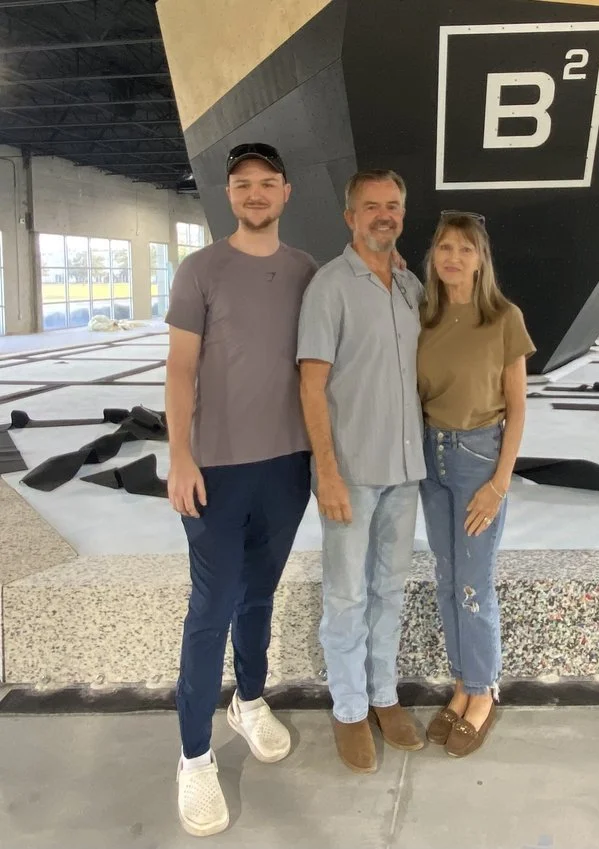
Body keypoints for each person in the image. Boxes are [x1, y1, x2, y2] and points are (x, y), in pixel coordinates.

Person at [164, 142, 318, 837]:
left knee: (259, 594)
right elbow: (179, 370)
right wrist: (180, 456)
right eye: (242, 184)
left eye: (267, 183)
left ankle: (249, 699)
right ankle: (194, 757)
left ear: (286, 193)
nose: (255, 194)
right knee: (212, 606)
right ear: (230, 195)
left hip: (288, 465)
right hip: (218, 468)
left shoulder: (306, 271)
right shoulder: (200, 270)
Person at [296, 169, 426, 774]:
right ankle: (349, 708)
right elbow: (312, 385)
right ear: (350, 217)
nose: (383, 215)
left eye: (392, 206)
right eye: (371, 206)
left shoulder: (410, 287)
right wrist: (327, 471)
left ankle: (384, 696)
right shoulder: (330, 287)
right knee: (347, 595)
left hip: (405, 471)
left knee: (390, 590)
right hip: (351, 471)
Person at [416, 211, 534, 758]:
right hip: (430, 457)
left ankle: (484, 690)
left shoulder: (504, 317)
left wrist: (499, 483)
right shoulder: (423, 314)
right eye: (445, 248)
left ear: (480, 257)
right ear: (433, 256)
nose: (454, 258)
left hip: (477, 458)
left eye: (465, 249)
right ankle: (461, 683)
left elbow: (517, 408)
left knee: (473, 584)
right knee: (446, 577)